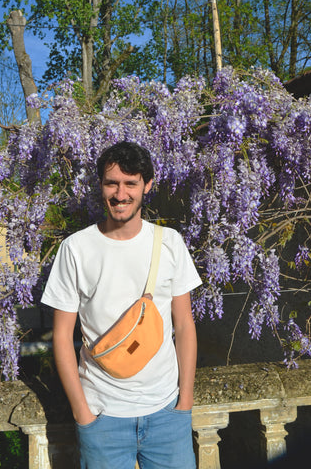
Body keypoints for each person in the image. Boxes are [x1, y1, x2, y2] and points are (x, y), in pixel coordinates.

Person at [41, 141, 202, 469]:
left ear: (147, 186)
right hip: (103, 417)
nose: (120, 193)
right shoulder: (76, 249)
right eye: (111, 183)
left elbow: (184, 325)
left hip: (167, 414)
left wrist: (184, 402)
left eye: (130, 183)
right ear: (100, 185)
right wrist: (82, 414)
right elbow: (61, 336)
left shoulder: (169, 242)